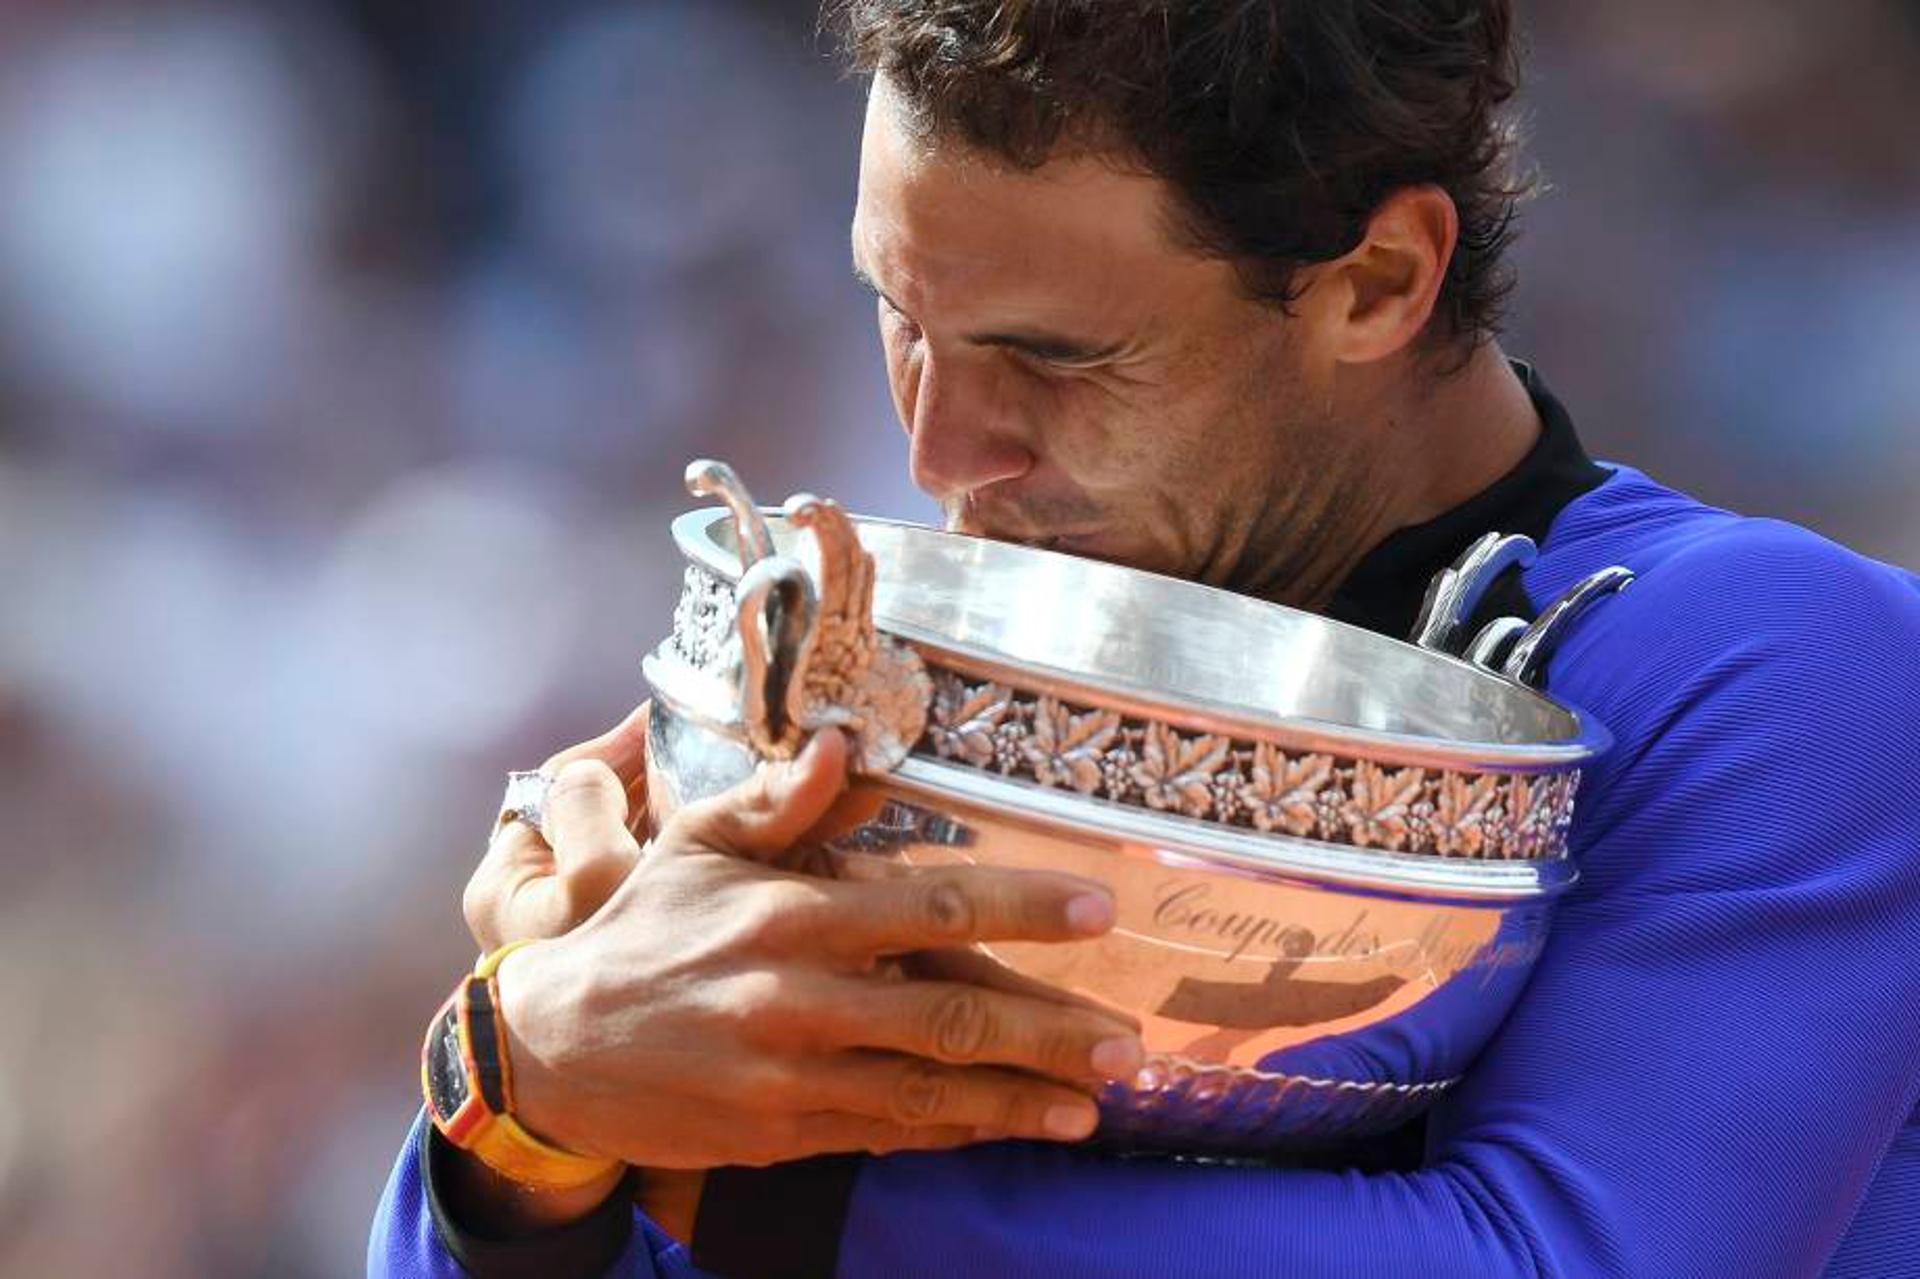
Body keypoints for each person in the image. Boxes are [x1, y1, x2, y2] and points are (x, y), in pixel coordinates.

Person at [372, 2, 1920, 1276]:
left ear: (1379, 281)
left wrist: (742, 1179)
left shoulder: (1777, 668)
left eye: (1050, 360)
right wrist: (526, 1108)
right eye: (901, 317)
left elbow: (1559, 1261)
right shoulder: (879, 665)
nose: (938, 451)